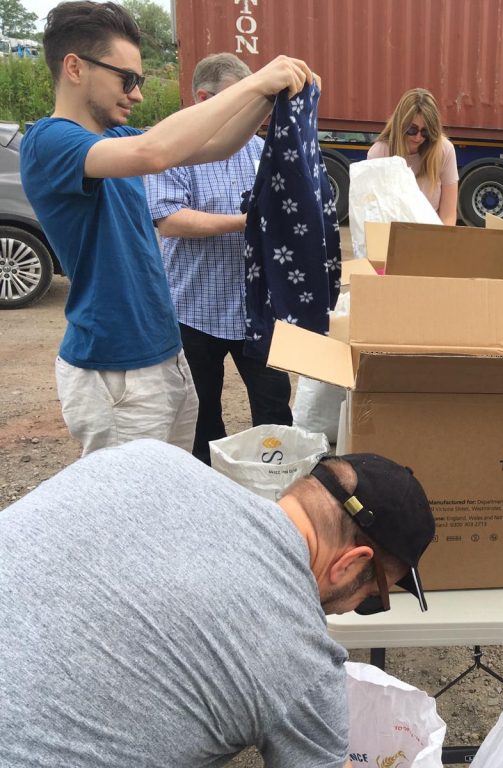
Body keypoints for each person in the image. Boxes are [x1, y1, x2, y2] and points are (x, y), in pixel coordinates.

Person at [0, 439, 436, 766]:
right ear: (350, 564)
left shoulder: (148, 457)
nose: (352, 609)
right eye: (373, 598)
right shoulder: (299, 663)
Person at [19, 1, 315, 457]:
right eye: (128, 79)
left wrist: (266, 101)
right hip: (115, 368)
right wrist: (257, 80)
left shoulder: (113, 140)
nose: (136, 94)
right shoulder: (49, 141)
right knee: (130, 509)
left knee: (172, 488)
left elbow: (218, 147)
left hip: (162, 354)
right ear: (75, 67)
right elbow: (153, 153)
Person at [145, 53, 293, 466]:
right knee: (201, 416)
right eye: (235, 101)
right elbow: (170, 219)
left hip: (255, 312)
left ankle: (278, 492)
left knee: (275, 411)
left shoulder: (261, 151)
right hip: (195, 310)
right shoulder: (172, 150)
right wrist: (243, 222)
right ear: (203, 99)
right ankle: (209, 493)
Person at [367, 87, 459, 225]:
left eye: (425, 132)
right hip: (392, 234)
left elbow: (448, 215)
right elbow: (373, 212)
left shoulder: (444, 150)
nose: (418, 137)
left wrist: (442, 243)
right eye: (412, 129)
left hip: (431, 234)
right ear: (400, 125)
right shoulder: (379, 153)